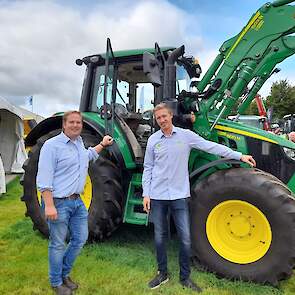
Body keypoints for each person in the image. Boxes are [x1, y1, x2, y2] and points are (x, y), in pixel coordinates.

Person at [142, 103, 256, 292]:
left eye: (164, 116)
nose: (161, 120)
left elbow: (211, 147)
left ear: (171, 116)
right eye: (158, 118)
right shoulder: (154, 140)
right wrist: (146, 194)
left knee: (186, 239)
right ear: (156, 120)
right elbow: (148, 168)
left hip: (179, 196)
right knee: (160, 238)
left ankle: (184, 277)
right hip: (158, 196)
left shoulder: (186, 136)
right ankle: (162, 274)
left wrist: (239, 155)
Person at [37, 111, 113, 295]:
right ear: (64, 125)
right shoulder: (51, 146)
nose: (75, 125)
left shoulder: (79, 143)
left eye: (78, 122)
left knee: (80, 239)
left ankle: (64, 274)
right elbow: (44, 179)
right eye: (71, 122)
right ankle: (56, 282)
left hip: (77, 202)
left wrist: (102, 145)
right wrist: (49, 205)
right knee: (57, 243)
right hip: (58, 202)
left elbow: (87, 157)